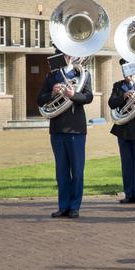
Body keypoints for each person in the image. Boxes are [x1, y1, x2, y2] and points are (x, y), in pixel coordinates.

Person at [37, 47, 93, 219]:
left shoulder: (83, 75)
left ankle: (75, 206)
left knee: (76, 170)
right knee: (61, 171)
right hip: (57, 128)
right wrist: (52, 92)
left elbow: (88, 97)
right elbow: (40, 100)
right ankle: (63, 206)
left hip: (76, 128)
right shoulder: (51, 76)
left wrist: (72, 94)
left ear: (69, 56)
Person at [108, 59, 135, 204]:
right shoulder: (118, 86)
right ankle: (129, 193)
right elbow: (111, 103)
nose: (127, 74)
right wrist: (123, 96)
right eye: (124, 71)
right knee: (126, 164)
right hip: (123, 129)